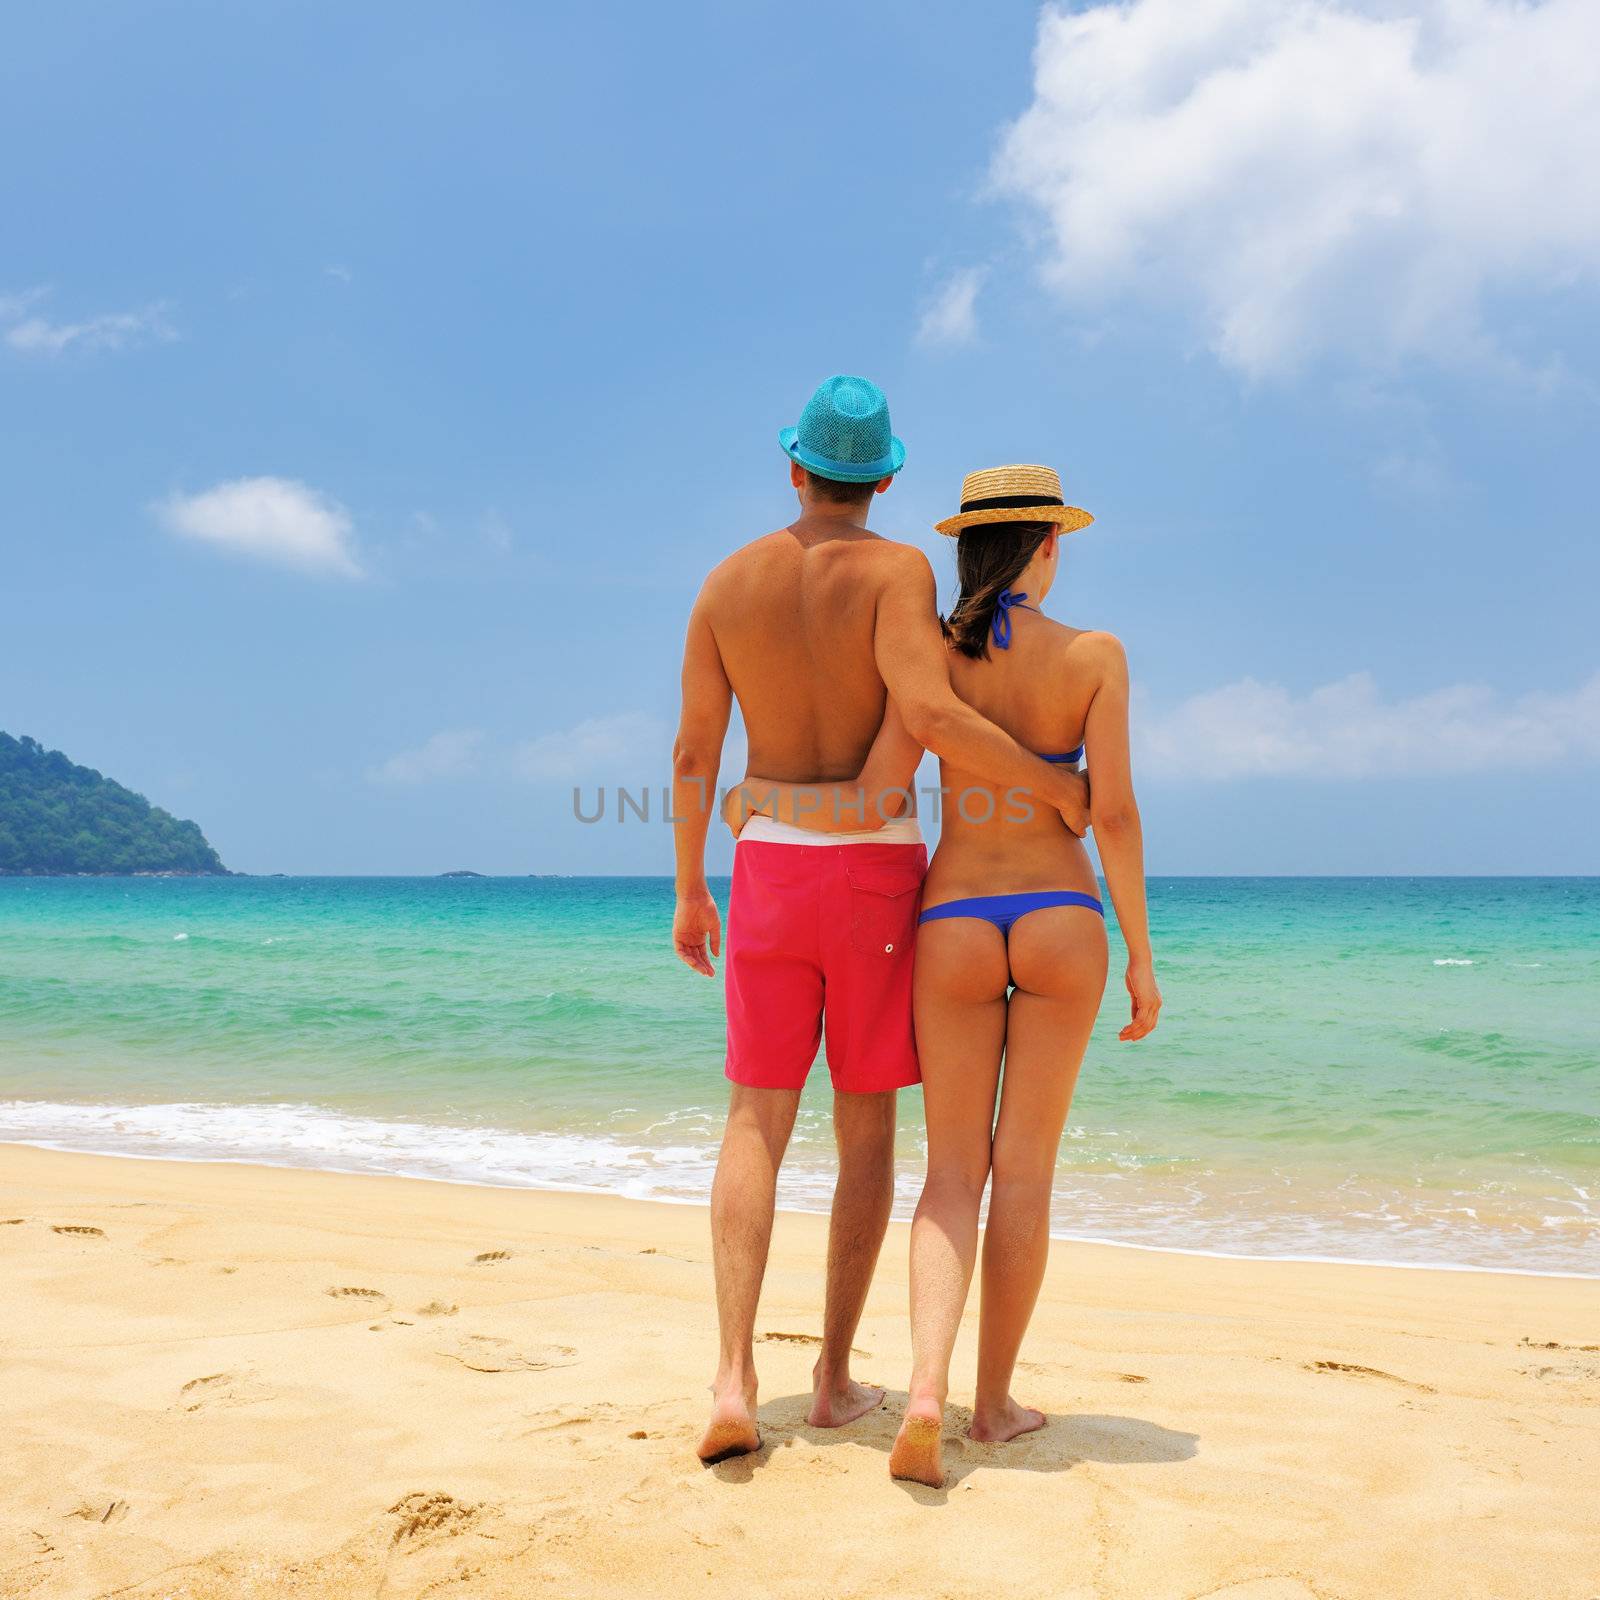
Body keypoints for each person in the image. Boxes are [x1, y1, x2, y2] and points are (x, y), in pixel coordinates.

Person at [671, 384, 1092, 1466]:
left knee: (753, 1120)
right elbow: (935, 715)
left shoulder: (726, 582)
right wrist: (1058, 792)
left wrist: (689, 885)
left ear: (795, 468)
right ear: (887, 480)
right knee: (864, 1129)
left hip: (764, 867)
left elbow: (691, 756)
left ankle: (731, 1372)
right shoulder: (898, 571)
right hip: (873, 877)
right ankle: (830, 1378)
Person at [727, 463, 1160, 1488]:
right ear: (1046, 547)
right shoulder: (1094, 655)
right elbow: (1115, 813)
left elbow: (881, 769)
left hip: (952, 918)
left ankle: (922, 1389)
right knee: (1027, 1171)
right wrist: (1141, 954)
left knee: (953, 1170)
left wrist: (756, 800)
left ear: (967, 550)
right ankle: (992, 1404)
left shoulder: (932, 655)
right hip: (1059, 916)